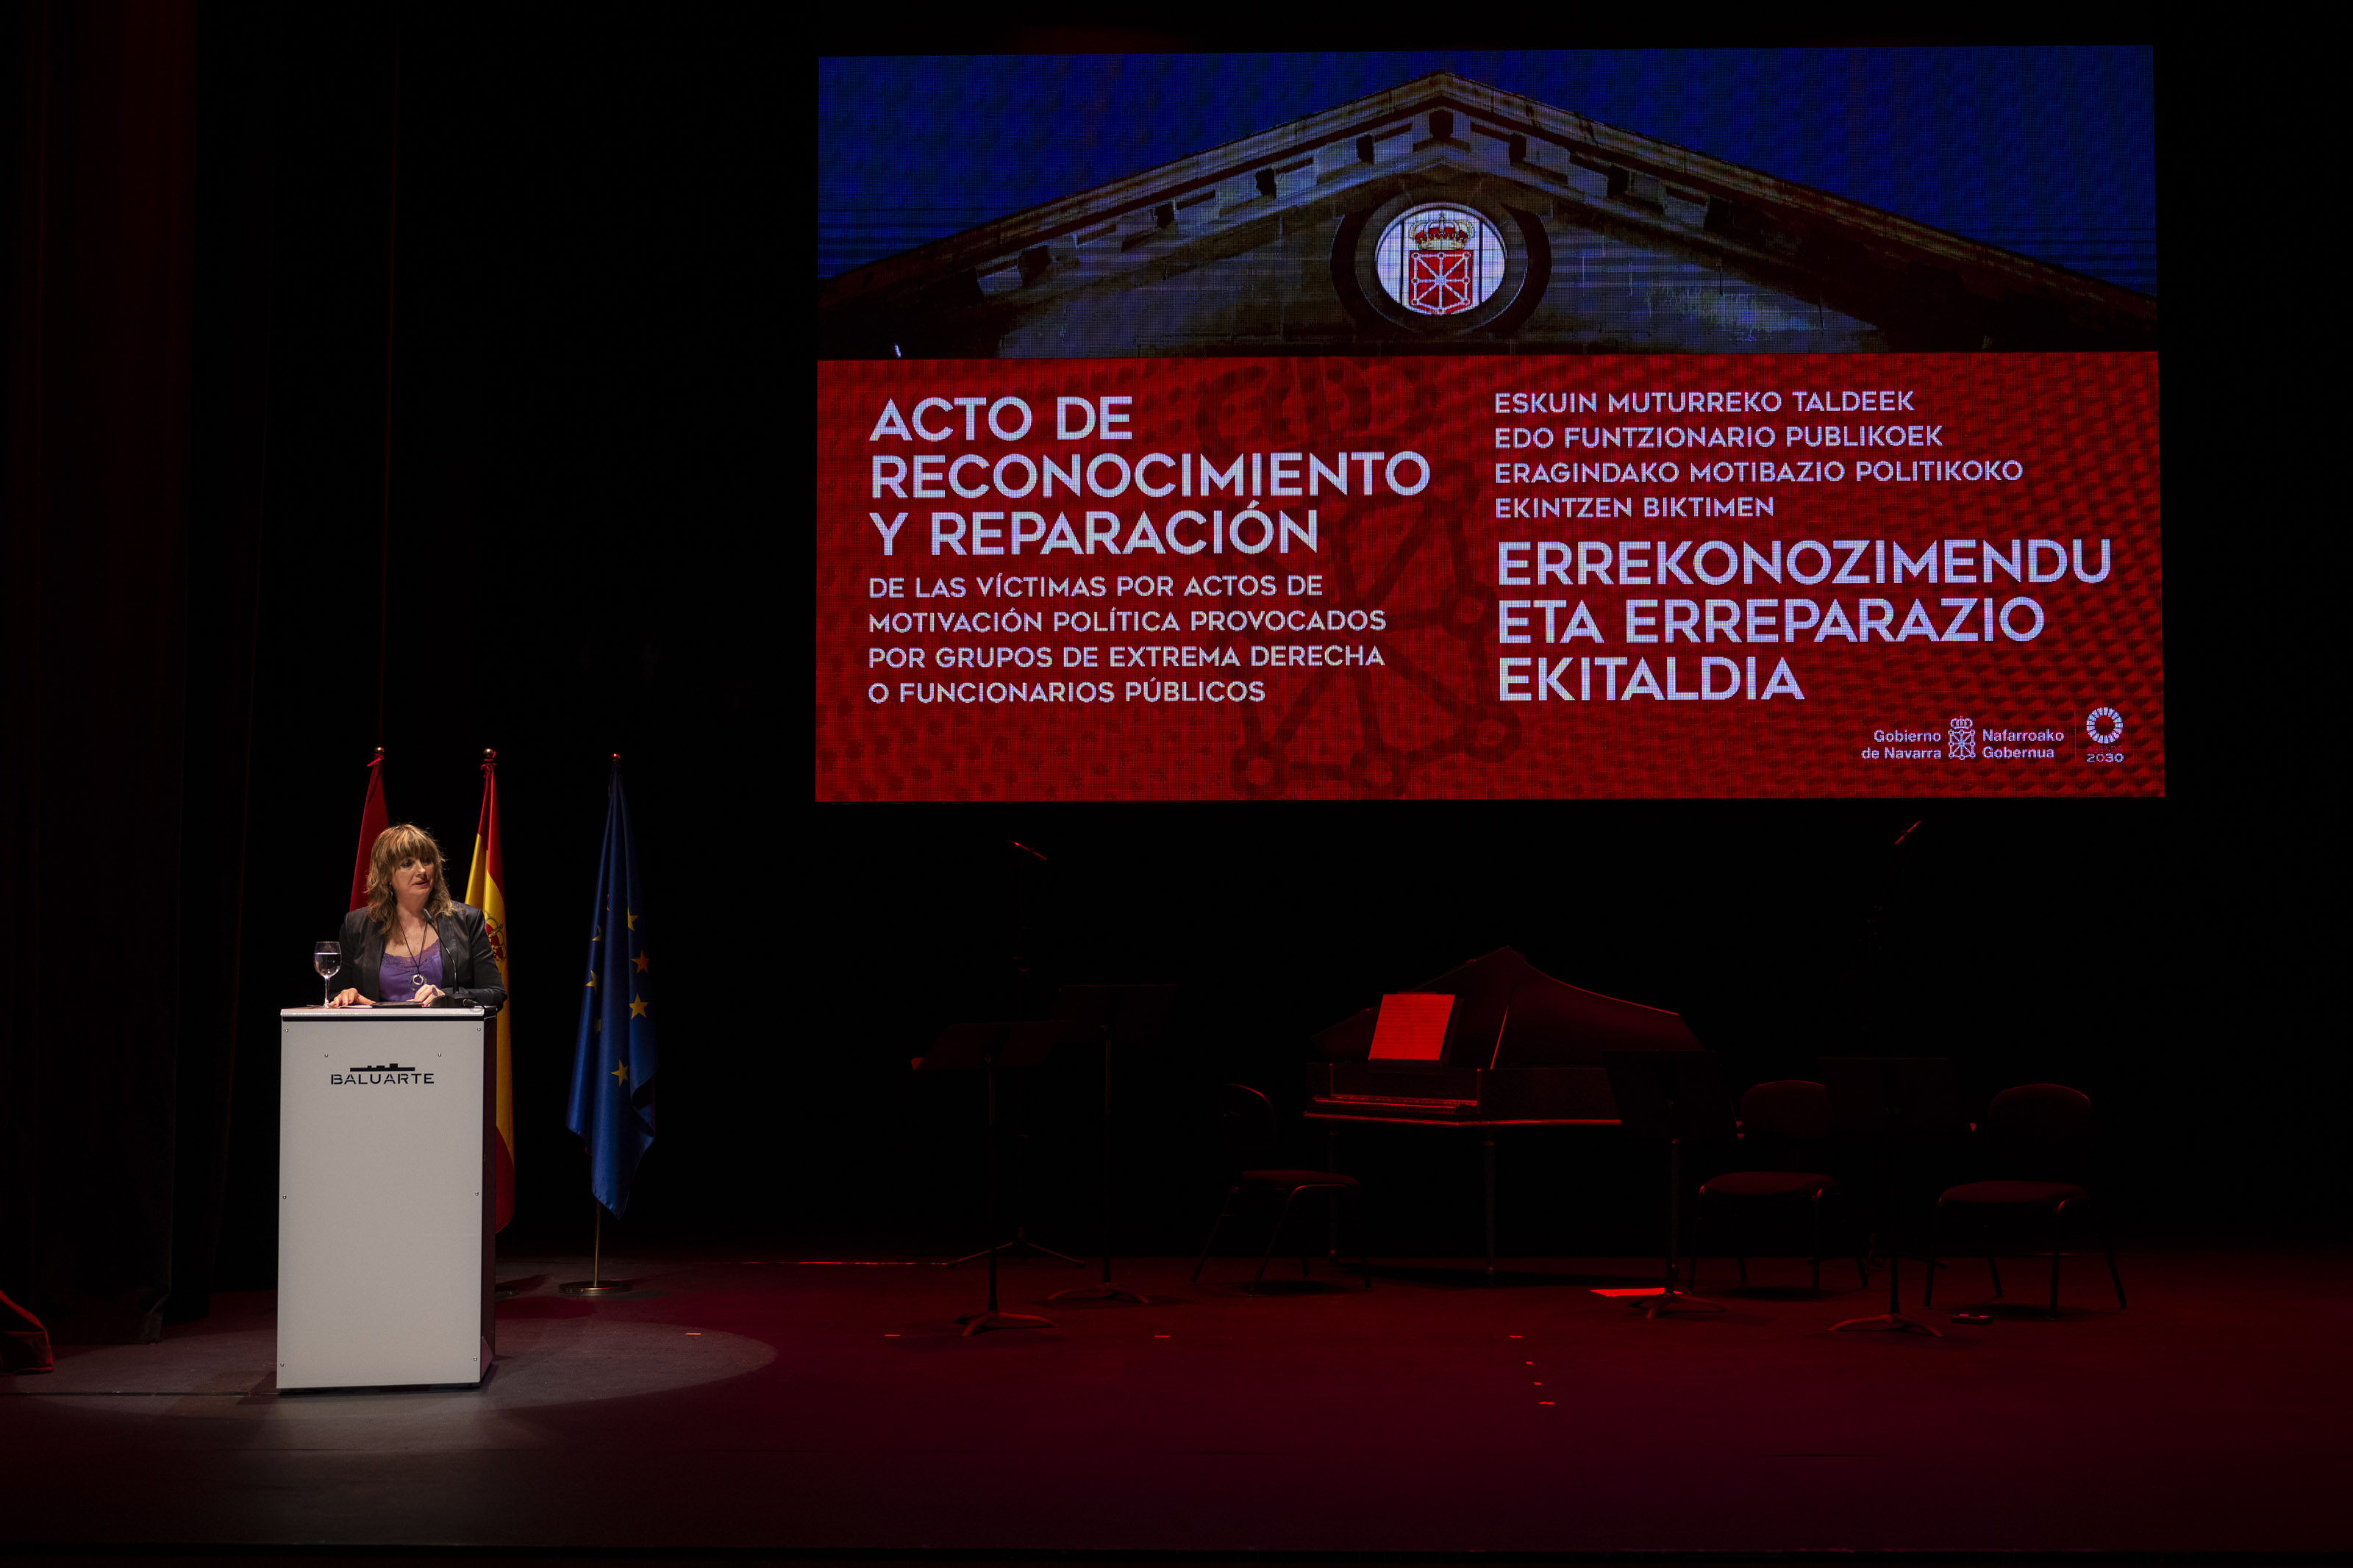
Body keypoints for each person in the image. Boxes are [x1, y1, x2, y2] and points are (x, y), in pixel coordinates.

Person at [327, 823, 507, 1011]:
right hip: (377, 1029)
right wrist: (348, 996)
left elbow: (495, 993)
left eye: (427, 860)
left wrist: (448, 996)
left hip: (444, 1029)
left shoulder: (467, 920)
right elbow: (334, 995)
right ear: (386, 875)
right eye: (407, 864)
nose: (422, 871)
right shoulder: (356, 925)